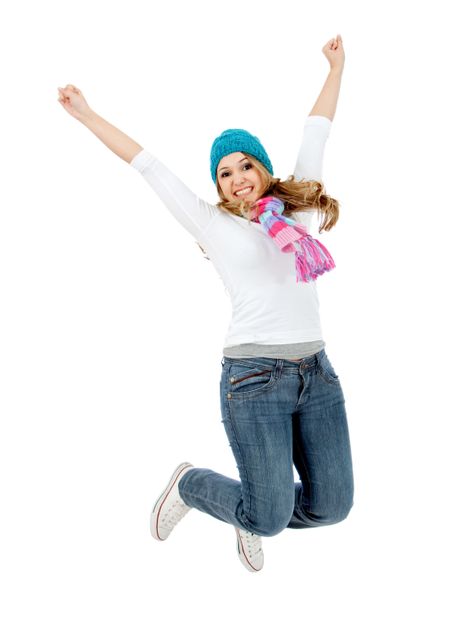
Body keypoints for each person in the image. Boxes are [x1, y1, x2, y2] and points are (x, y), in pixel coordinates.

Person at [58, 34, 354, 574]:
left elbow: (317, 129)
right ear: (217, 185)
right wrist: (87, 115)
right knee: (267, 517)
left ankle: (255, 506)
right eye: (224, 172)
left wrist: (335, 68)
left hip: (317, 374)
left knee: (331, 507)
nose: (237, 179)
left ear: (263, 168)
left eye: (245, 166)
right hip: (254, 379)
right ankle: (193, 485)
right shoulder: (212, 224)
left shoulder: (299, 209)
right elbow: (147, 164)